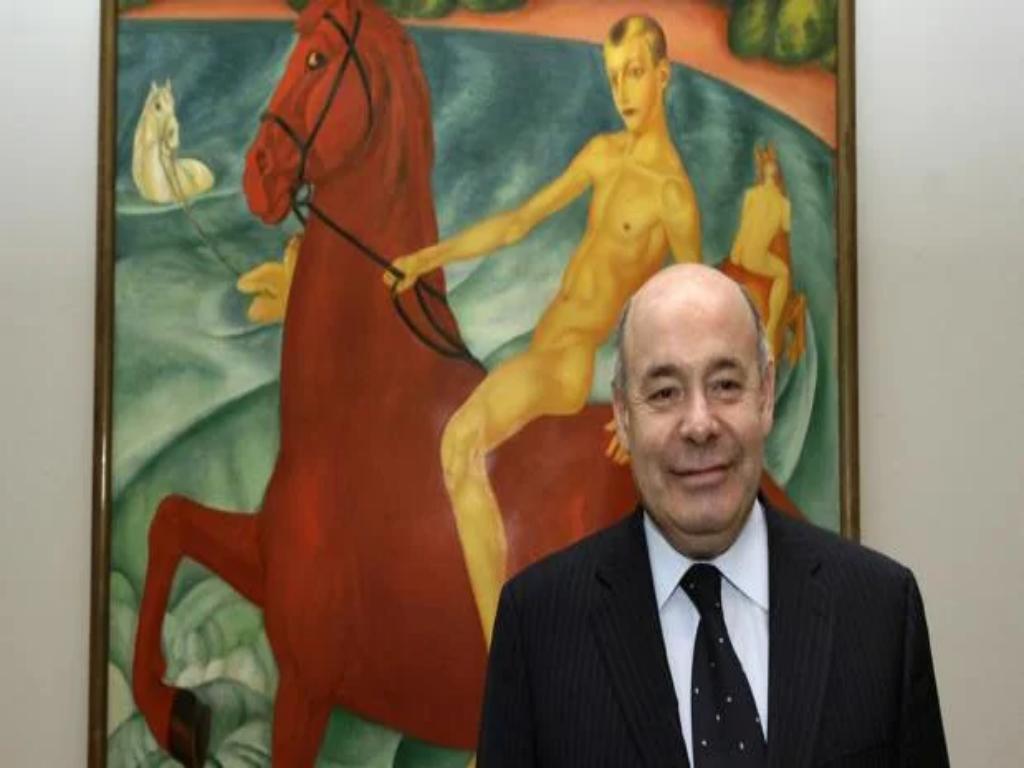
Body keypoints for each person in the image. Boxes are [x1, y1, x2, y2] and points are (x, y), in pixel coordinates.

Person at [477, 264, 949, 767]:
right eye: (665, 393)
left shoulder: (881, 612)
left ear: (765, 395)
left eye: (725, 384)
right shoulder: (537, 629)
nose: (699, 424)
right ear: (623, 415)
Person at [383, 15, 701, 647]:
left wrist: (646, 406)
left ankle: (501, 655)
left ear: (663, 76)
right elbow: (517, 223)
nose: (624, 90)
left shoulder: (673, 196)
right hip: (540, 344)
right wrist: (424, 259)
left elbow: (692, 311)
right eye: (614, 77)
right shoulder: (602, 155)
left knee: (458, 444)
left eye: (636, 73)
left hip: (568, 362)